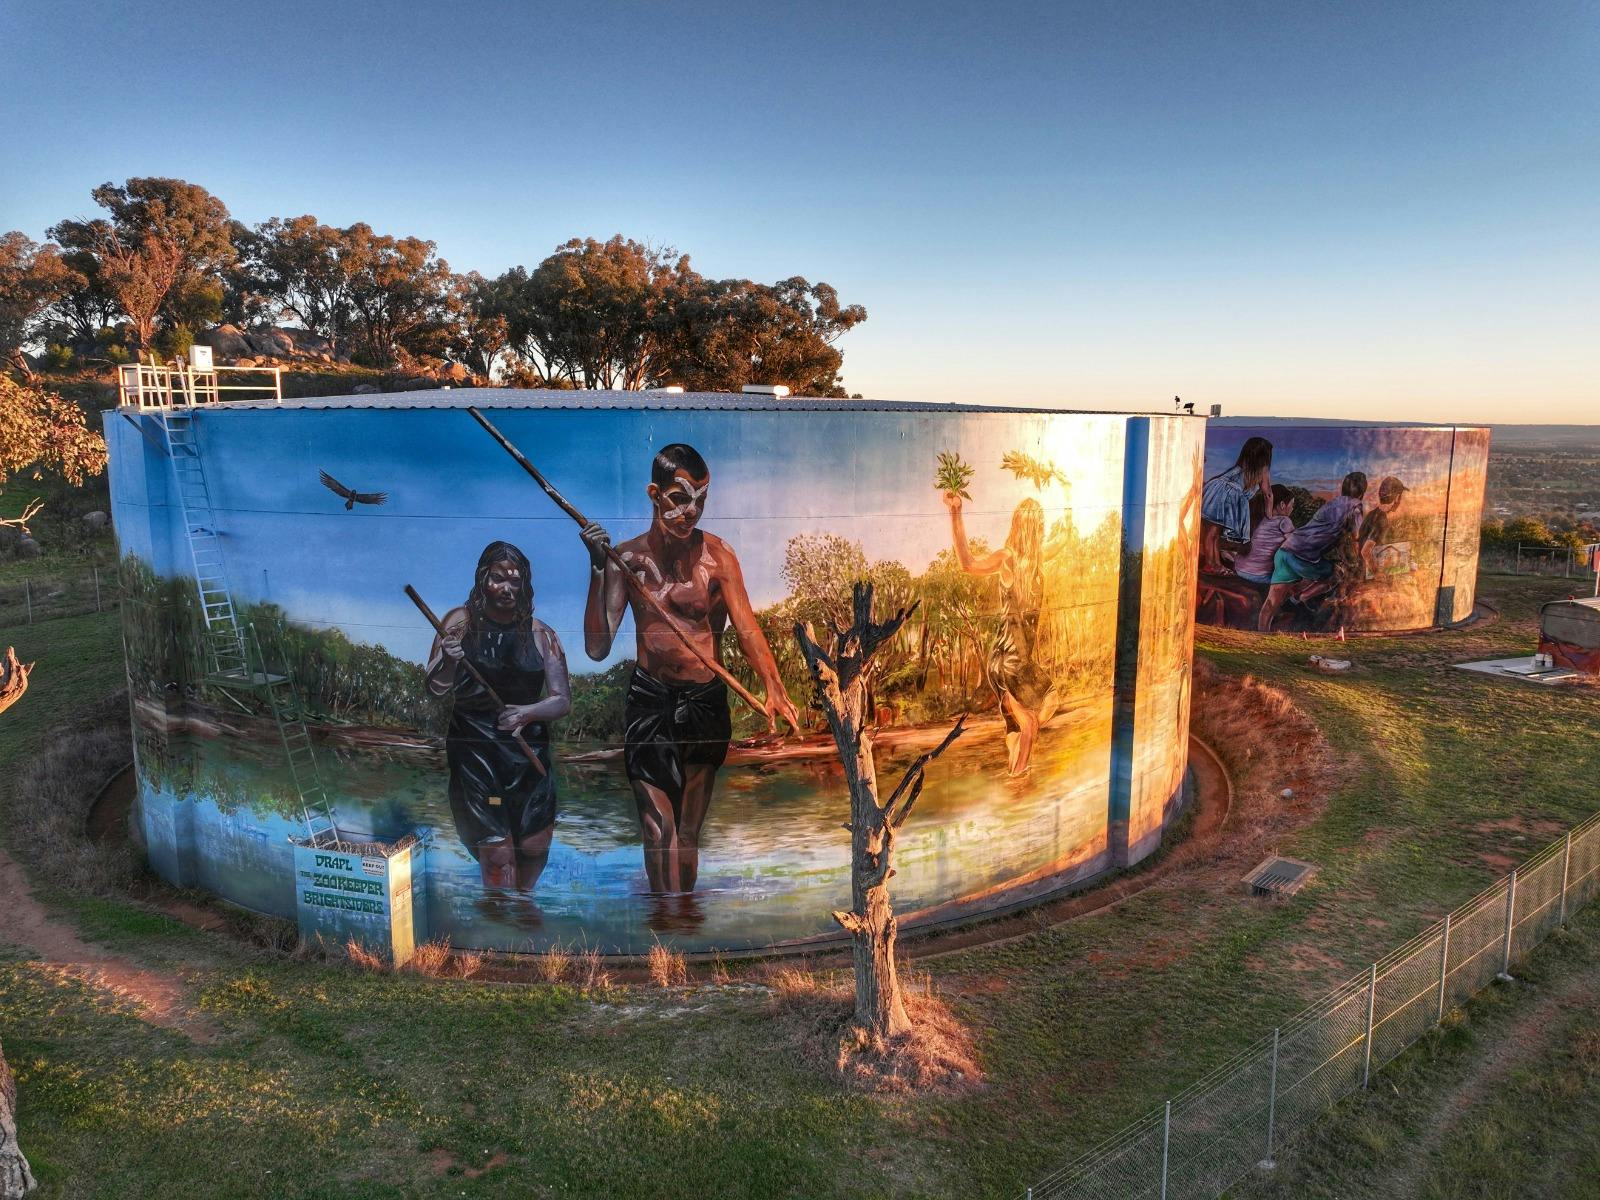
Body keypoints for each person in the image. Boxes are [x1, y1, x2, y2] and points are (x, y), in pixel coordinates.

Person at [579, 443, 801, 895]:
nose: (691, 511)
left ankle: (682, 920)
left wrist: (773, 686)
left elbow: (748, 628)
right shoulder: (628, 560)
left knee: (688, 831)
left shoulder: (718, 559)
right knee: (657, 827)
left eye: (700, 499)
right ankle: (665, 927)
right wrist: (598, 568)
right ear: (654, 493)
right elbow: (597, 647)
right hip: (650, 700)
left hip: (704, 699)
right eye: (680, 497)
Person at [426, 541, 571, 892]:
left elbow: (561, 700)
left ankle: (522, 915)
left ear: (525, 585)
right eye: (498, 579)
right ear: (482, 579)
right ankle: (501, 925)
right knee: (498, 855)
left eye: (515, 581)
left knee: (534, 849)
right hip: (475, 751)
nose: (507, 588)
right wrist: (449, 660)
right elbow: (435, 688)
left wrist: (527, 712)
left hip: (527, 755)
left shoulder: (542, 634)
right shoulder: (458, 623)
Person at [943, 490, 1066, 776]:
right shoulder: (1008, 559)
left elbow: (1062, 543)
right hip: (1015, 662)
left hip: (999, 663)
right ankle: (1024, 749)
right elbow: (967, 564)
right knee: (1044, 707)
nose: (1042, 531)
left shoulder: (1033, 559)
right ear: (1034, 528)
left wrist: (1068, 503)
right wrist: (955, 512)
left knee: (1014, 731)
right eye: (1040, 526)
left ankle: (1015, 775)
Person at [1258, 472, 1367, 631]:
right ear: (1362, 491)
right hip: (1302, 557)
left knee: (1271, 601)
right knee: (1336, 572)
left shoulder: (1331, 504)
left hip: (1285, 551)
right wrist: (1358, 559)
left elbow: (1334, 539)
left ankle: (1261, 635)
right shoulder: (1355, 506)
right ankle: (1301, 598)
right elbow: (1356, 537)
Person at [1199, 436, 1273, 574]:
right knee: (1213, 533)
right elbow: (1268, 493)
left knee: (1213, 532)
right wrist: (1270, 516)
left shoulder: (1243, 464)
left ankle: (1214, 564)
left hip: (1218, 491)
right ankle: (1211, 564)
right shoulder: (1262, 469)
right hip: (1226, 494)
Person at [1232, 484, 1297, 586]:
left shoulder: (1256, 517)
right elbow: (1296, 545)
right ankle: (1294, 600)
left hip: (1240, 569)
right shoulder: (1283, 520)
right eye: (1292, 505)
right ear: (1282, 505)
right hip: (1260, 576)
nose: (1292, 509)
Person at [1357, 476, 1408, 577]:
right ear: (1397, 497)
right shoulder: (1381, 520)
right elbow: (1365, 552)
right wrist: (1376, 573)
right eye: (1400, 496)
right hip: (1366, 574)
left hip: (1362, 569)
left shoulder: (1373, 514)